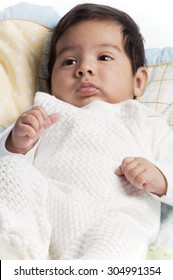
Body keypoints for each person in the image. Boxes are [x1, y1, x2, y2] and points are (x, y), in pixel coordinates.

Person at [0, 3, 173, 260]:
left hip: (114, 218)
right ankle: (17, 252)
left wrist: (160, 178)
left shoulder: (146, 120)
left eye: (103, 57)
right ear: (51, 83)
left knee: (126, 235)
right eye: (69, 61)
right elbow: (6, 161)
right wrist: (17, 142)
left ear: (138, 82)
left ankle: (94, 270)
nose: (84, 69)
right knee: (13, 171)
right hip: (47, 213)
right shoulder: (43, 111)